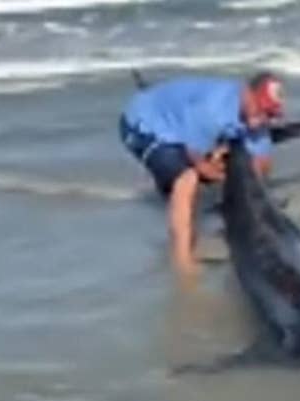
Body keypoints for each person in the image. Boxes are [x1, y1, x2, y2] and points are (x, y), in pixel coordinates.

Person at [119, 72, 285, 276]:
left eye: (270, 114)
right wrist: (220, 176)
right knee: (186, 179)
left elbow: (261, 165)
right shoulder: (212, 112)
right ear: (246, 94)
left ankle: (169, 191)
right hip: (143, 124)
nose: (262, 119)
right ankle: (183, 262)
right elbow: (198, 163)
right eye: (260, 108)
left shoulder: (255, 118)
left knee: (221, 170)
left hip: (179, 124)